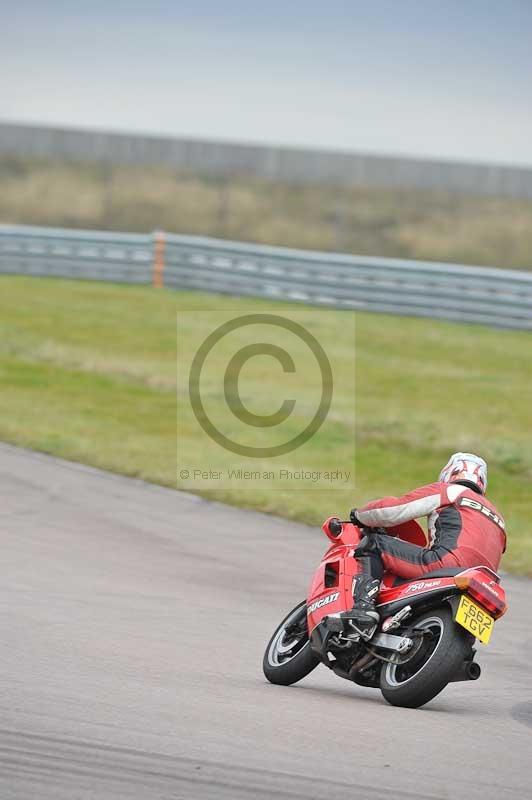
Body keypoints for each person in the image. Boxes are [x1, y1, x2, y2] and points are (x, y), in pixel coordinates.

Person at [341, 452, 506, 633]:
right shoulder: (499, 518)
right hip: (487, 584)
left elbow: (393, 511)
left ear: (449, 473)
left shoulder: (450, 491)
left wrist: (358, 515)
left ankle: (363, 609)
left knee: (375, 544)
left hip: (446, 564)